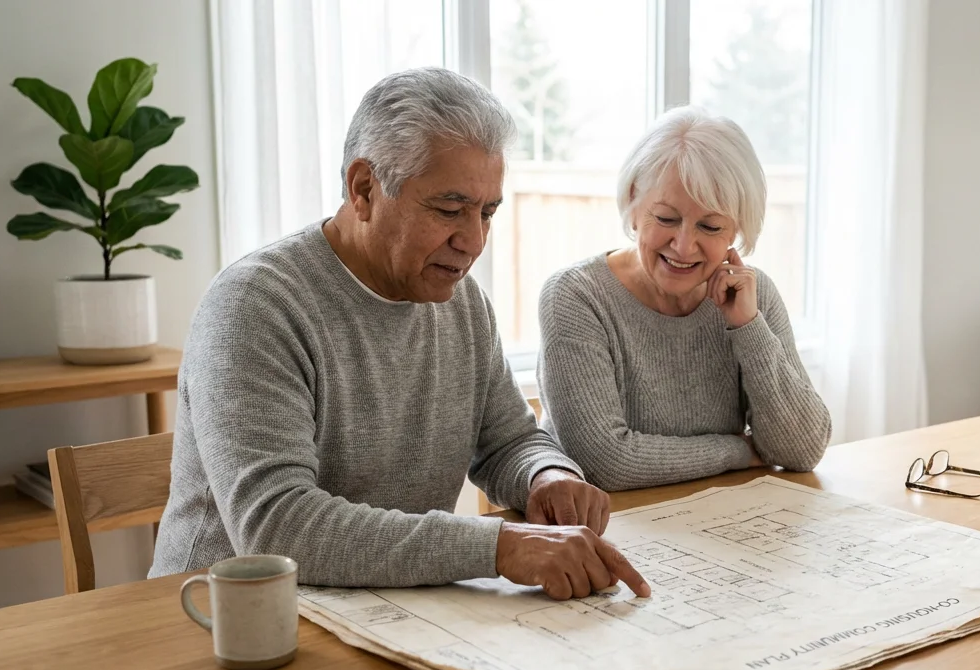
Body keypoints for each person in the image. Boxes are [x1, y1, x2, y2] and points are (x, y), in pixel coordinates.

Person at [150, 68, 649, 602]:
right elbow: (276, 525)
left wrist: (546, 476)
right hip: (217, 620)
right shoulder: (255, 304)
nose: (474, 241)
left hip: (383, 610)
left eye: (487, 212)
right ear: (364, 187)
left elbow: (509, 441)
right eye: (450, 210)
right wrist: (498, 547)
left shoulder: (461, 299)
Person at [536, 106, 831, 492]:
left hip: (718, 526)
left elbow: (802, 450)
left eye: (709, 226)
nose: (684, 245)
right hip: (607, 530)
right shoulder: (576, 297)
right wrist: (740, 451)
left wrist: (748, 327)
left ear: (736, 229)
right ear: (633, 201)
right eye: (666, 218)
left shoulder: (751, 295)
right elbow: (605, 463)